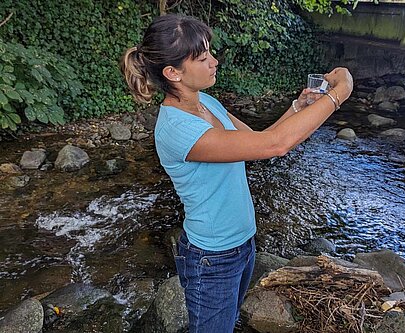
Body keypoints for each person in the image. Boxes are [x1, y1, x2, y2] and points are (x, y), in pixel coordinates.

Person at [121, 13, 353, 333]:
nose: (214, 61)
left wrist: (298, 107)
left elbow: (260, 141)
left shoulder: (208, 104)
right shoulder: (178, 130)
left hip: (242, 244)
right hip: (212, 257)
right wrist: (338, 95)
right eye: (203, 58)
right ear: (172, 72)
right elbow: (276, 145)